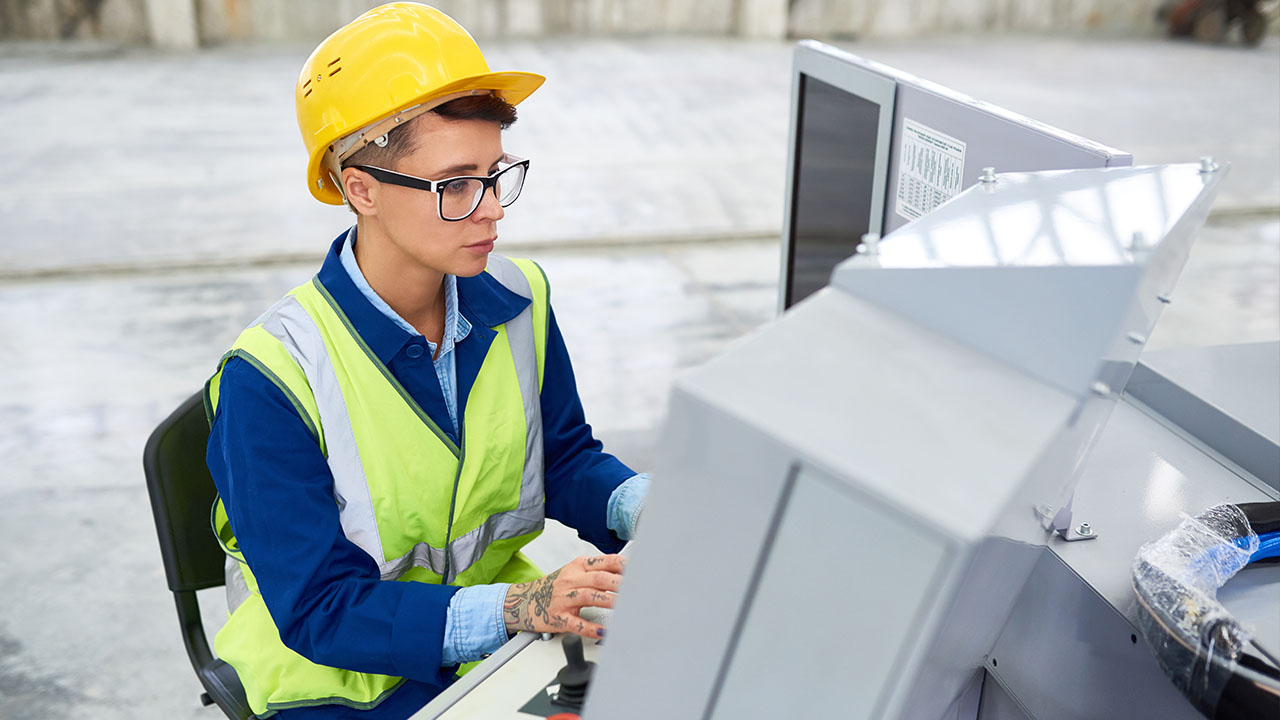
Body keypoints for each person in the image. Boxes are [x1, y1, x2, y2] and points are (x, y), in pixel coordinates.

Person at [204, 4, 649, 718]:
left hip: (491, 644)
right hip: (336, 683)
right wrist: (517, 605)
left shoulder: (518, 298)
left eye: (495, 175)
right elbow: (320, 609)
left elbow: (561, 459)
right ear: (362, 189)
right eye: (455, 185)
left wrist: (646, 506)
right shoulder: (272, 378)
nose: (492, 210)